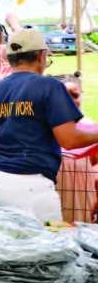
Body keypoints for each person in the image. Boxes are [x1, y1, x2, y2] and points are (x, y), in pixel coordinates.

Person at [0, 28, 98, 222]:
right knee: (46, 248)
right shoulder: (50, 86)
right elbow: (69, 140)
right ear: (42, 55)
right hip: (29, 185)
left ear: (10, 58)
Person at [53, 72, 98, 223]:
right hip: (54, 202)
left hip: (84, 202)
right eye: (65, 96)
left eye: (75, 95)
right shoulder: (43, 129)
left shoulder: (92, 130)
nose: (71, 101)